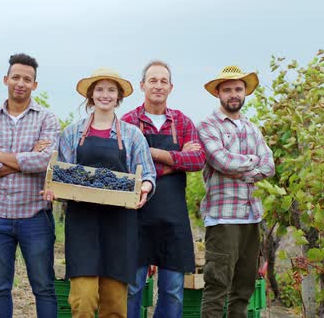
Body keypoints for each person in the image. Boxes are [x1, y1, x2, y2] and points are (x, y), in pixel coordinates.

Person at [43, 68, 156, 318]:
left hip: (120, 224)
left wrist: (145, 188)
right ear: (91, 95)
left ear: (118, 97)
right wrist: (53, 190)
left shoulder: (132, 134)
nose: (105, 95)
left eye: (111, 90)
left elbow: (147, 174)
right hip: (82, 222)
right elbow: (62, 173)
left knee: (115, 303)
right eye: (100, 89)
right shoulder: (72, 132)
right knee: (82, 299)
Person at [0, 53, 60, 318]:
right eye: (16, 77)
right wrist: (26, 157)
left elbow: (47, 161)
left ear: (35, 84)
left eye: (27, 79)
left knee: (43, 287)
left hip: (35, 216)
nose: (20, 83)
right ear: (6, 79)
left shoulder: (47, 119)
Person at [121, 61, 206, 318]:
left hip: (174, 218)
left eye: (163, 81)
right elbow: (124, 165)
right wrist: (175, 159)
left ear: (171, 87)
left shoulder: (182, 121)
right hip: (136, 216)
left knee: (173, 290)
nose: (158, 85)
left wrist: (150, 153)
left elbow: (198, 160)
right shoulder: (128, 121)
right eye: (153, 80)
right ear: (142, 85)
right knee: (133, 287)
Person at [198, 65, 275, 318]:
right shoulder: (208, 126)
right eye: (228, 89)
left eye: (238, 89)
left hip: (252, 216)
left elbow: (270, 165)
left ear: (245, 93)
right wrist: (254, 163)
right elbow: (222, 162)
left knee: (243, 287)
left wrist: (242, 168)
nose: (233, 94)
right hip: (223, 217)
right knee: (217, 285)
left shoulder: (253, 128)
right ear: (218, 93)